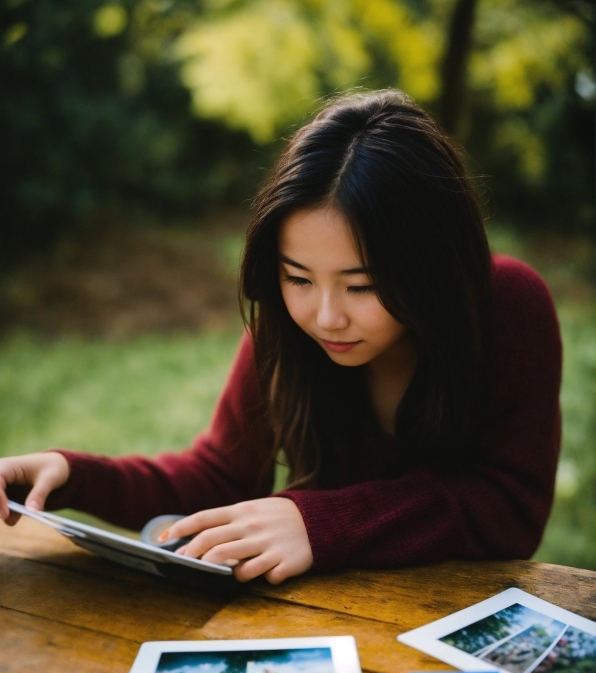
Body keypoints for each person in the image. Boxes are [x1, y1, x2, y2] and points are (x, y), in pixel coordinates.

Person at [0, 90, 561, 585]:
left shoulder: (506, 305)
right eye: (298, 278)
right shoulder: (286, 325)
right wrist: (72, 474)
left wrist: (321, 525)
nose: (324, 317)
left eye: (361, 286)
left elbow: (511, 508)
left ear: (431, 265)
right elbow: (219, 475)